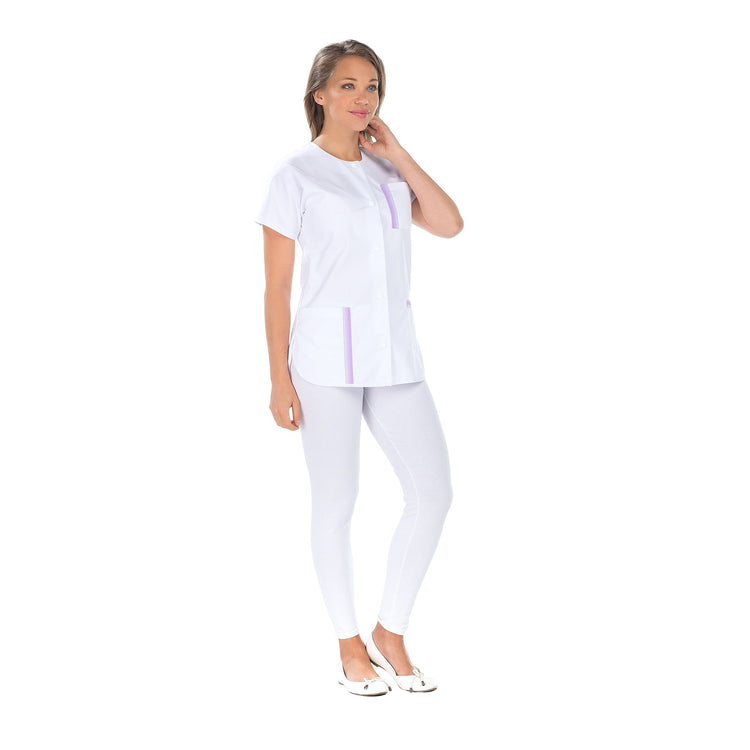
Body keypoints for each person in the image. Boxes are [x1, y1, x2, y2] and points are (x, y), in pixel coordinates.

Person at [255, 39, 463, 696]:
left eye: (371, 86)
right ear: (319, 94)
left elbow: (450, 224)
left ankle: (389, 632)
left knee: (433, 493)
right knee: (337, 502)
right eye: (347, 85)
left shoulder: (386, 172)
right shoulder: (294, 175)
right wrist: (279, 379)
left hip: (395, 354)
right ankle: (348, 643)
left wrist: (397, 153)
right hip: (323, 360)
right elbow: (276, 289)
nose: (362, 97)